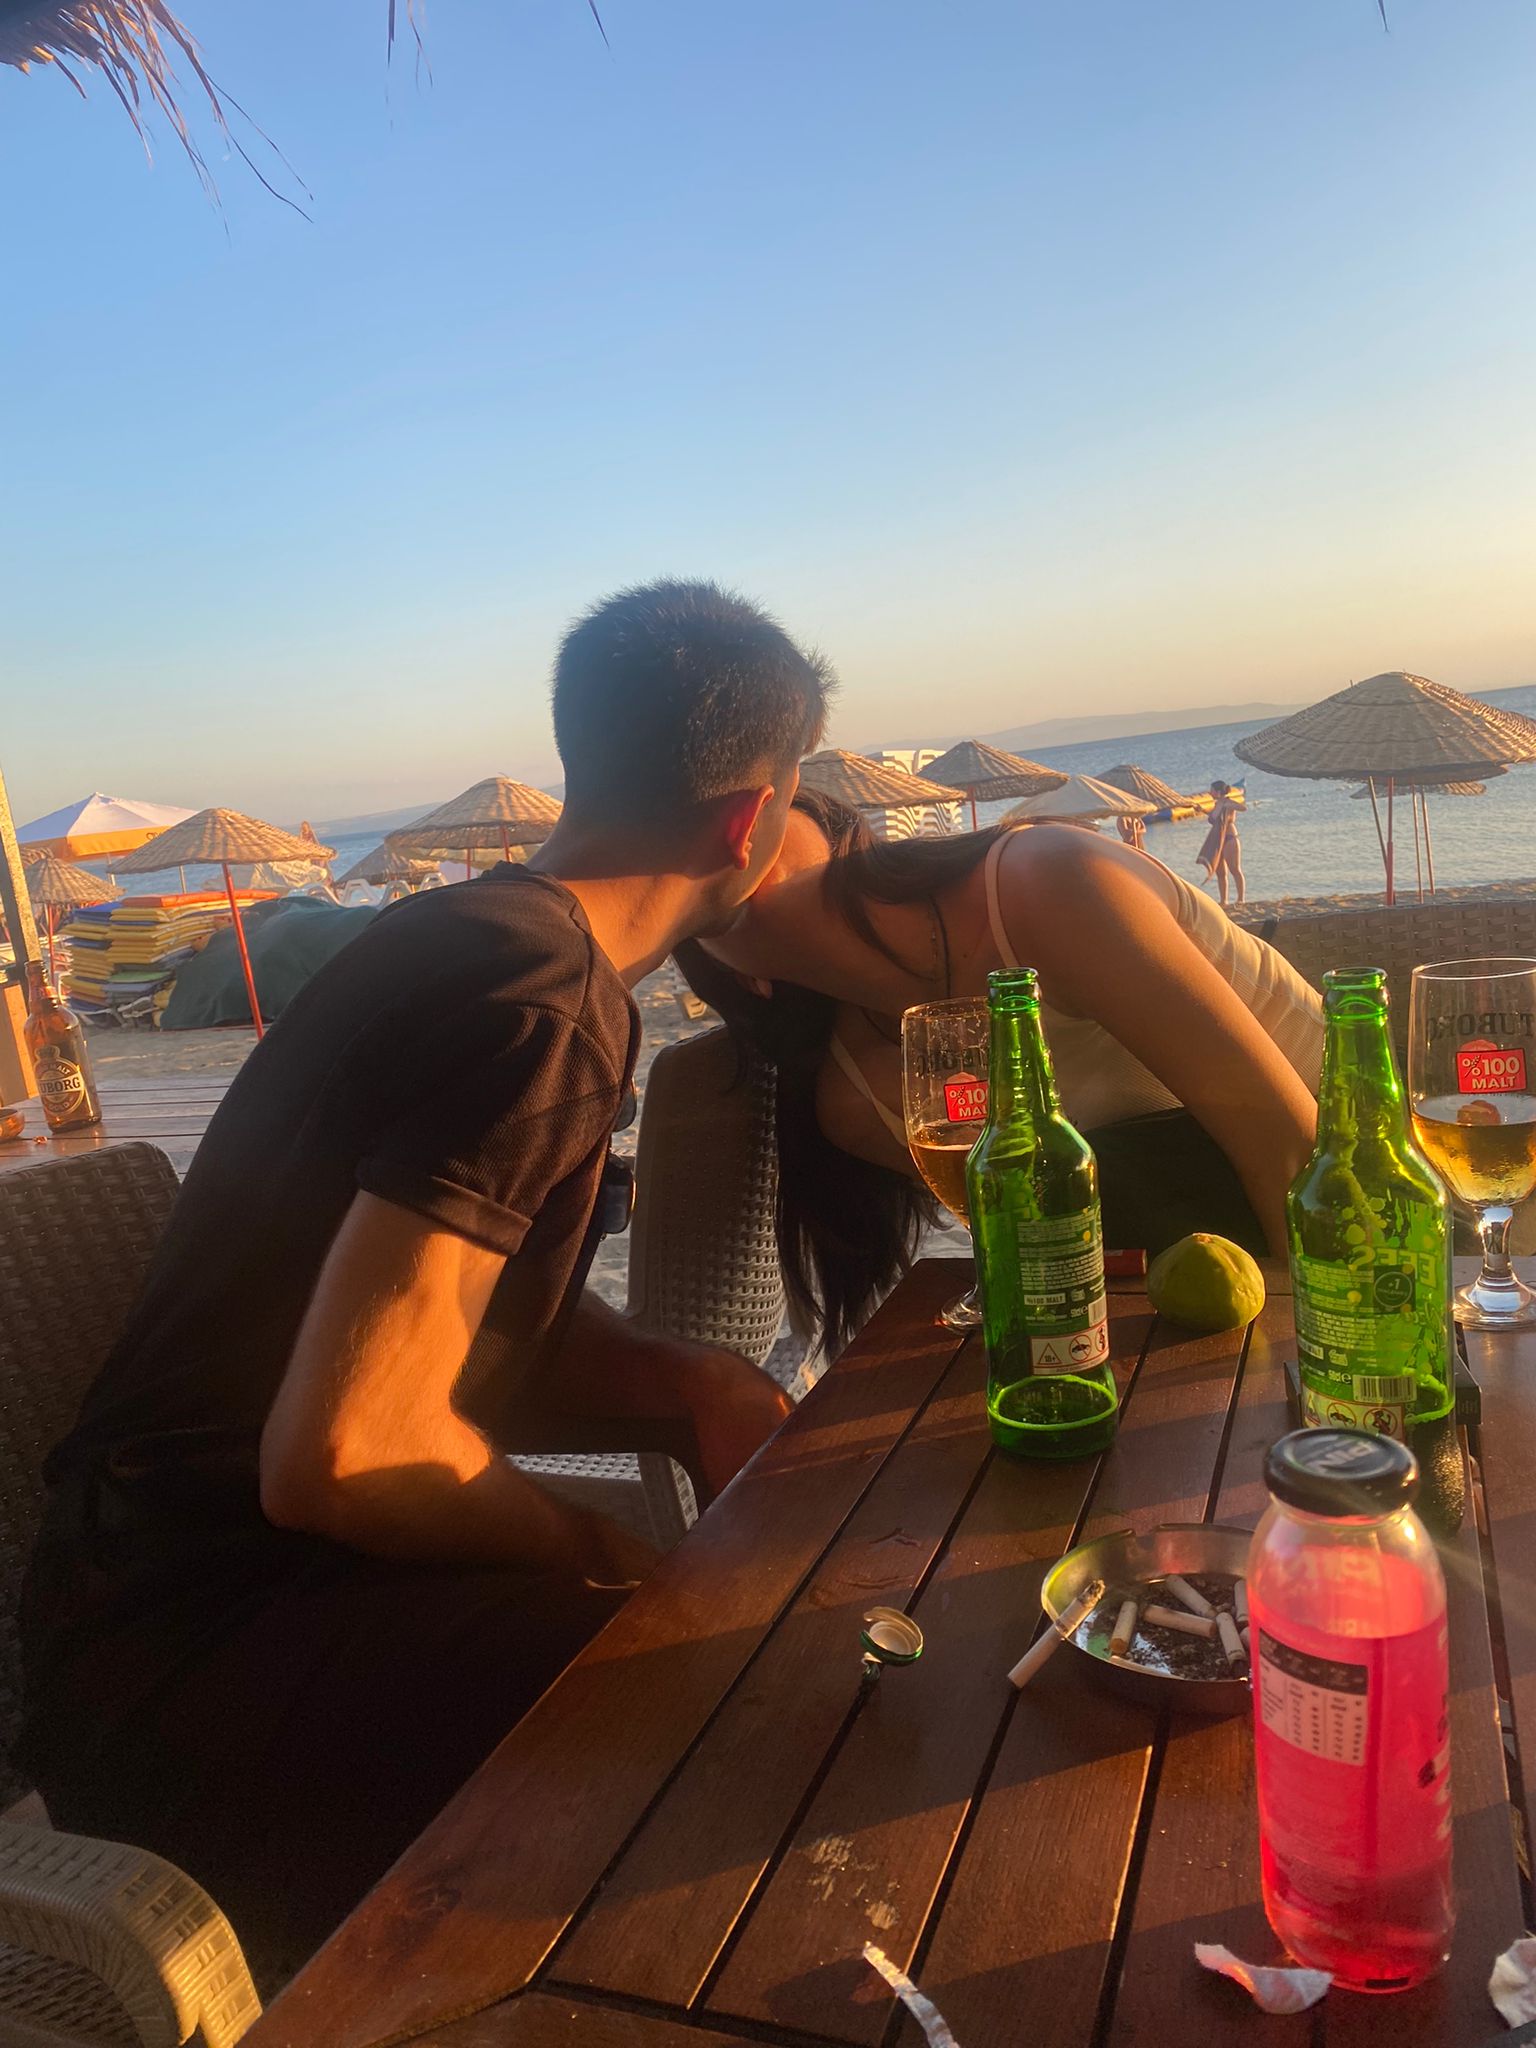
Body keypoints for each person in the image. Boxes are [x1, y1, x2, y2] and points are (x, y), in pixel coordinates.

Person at [21, 580, 831, 1982]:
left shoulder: (462, 936)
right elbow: (345, 1452)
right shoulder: (544, 1009)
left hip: (139, 1611)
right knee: (766, 1723)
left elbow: (426, 1328)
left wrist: (689, 1380)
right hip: (203, 1667)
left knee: (755, 1677)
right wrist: (592, 1547)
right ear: (751, 818)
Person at [677, 792, 1319, 1352]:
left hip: (1338, 1196)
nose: (736, 833)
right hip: (1183, 1287)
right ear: (742, 976)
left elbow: (1288, 1144)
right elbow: (1046, 1249)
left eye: (763, 804)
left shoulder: (1046, 880)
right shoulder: (857, 1101)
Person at [1196, 780, 1245, 907]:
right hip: (1218, 839)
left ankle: (1241, 899)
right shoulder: (1217, 804)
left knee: (1234, 869)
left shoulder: (1226, 802)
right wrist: (1202, 810)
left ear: (1218, 792)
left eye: (1211, 790)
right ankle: (1224, 900)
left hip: (1229, 838)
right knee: (1220, 872)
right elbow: (1214, 816)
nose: (1209, 792)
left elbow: (1243, 808)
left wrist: (1226, 804)